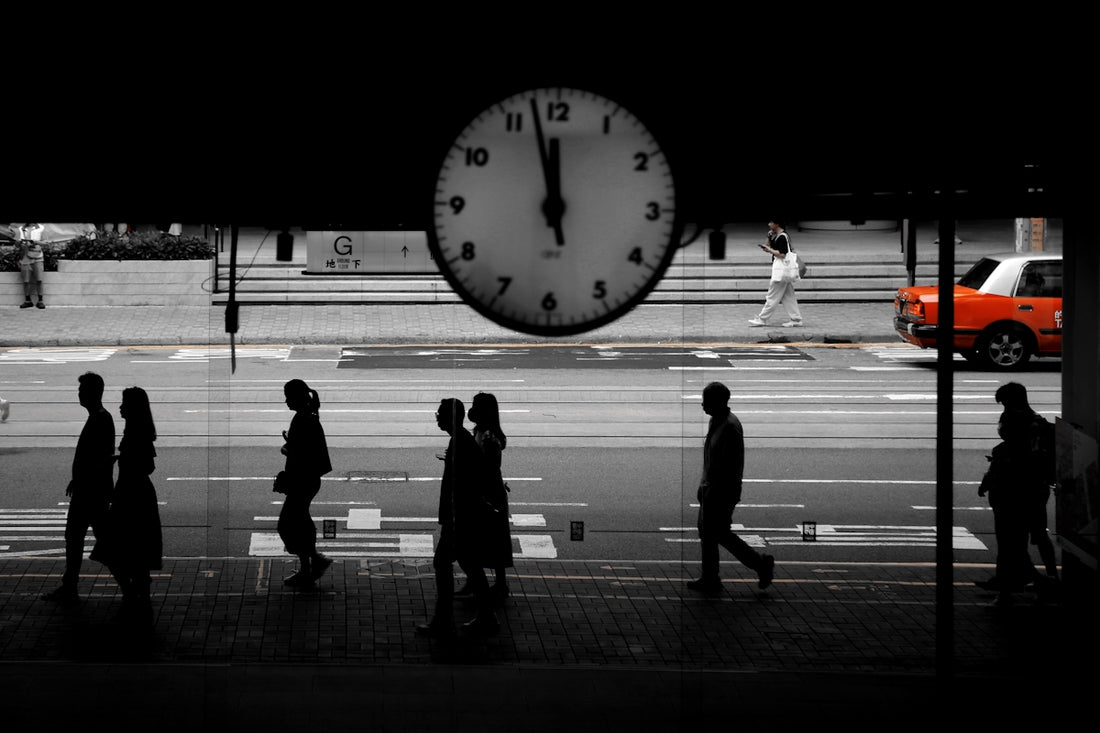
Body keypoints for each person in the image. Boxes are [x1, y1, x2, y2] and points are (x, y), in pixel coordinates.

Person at [417, 398, 498, 639]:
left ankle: (444, 621)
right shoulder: (460, 440)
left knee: (444, 564)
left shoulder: (459, 443)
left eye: (440, 413)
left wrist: (450, 519)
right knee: (470, 566)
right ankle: (485, 617)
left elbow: (461, 486)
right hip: (464, 517)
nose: (437, 416)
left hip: (460, 518)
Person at [686, 382, 775, 594]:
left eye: (706, 400)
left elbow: (726, 467)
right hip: (711, 488)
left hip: (721, 491)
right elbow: (711, 459)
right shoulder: (716, 422)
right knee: (714, 534)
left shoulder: (729, 427)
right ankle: (720, 575)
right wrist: (703, 485)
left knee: (713, 534)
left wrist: (711, 489)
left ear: (719, 402)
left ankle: (719, 577)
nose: (702, 405)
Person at [978, 382, 1058, 607]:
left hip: (1014, 490)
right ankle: (1042, 579)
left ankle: (1030, 583)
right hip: (1035, 488)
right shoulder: (1038, 423)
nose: (1003, 409)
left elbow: (1010, 457)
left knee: (1010, 541)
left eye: (1004, 403)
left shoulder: (1017, 424)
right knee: (1030, 537)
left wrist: (989, 479)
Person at [89, 387, 163, 624]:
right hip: (140, 495)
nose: (120, 407)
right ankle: (140, 596)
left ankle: (132, 593)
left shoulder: (134, 432)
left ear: (132, 407)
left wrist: (121, 461)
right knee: (138, 547)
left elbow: (145, 465)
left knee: (110, 546)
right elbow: (149, 465)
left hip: (130, 495)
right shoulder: (139, 430)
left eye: (124, 403)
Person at [42, 372, 115, 605]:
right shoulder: (99, 417)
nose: (79, 394)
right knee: (85, 538)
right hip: (89, 490)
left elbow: (99, 459)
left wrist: (81, 480)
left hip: (90, 493)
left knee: (88, 539)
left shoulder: (100, 419)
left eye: (83, 390)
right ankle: (71, 584)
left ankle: (130, 582)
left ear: (94, 393)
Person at [276, 379, 334, 588]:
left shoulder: (303, 420)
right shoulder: (308, 416)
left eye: (288, 396)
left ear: (296, 397)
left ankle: (315, 561)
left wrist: (286, 448)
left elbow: (299, 452)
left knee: (287, 525)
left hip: (303, 479)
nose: (285, 401)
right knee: (299, 521)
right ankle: (307, 568)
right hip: (307, 479)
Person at [462, 392, 513, 604]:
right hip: (490, 490)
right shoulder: (482, 432)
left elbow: (489, 468)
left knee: (490, 539)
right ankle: (483, 583)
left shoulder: (489, 437)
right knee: (490, 539)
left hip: (489, 493)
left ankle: (498, 585)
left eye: (475, 406)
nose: (471, 410)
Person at [748, 220, 801, 328]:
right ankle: (796, 319)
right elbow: (768, 248)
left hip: (781, 271)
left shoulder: (782, 237)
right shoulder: (776, 236)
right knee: (788, 297)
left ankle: (762, 319)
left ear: (777, 224)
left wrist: (770, 250)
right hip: (782, 271)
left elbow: (782, 254)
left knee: (772, 296)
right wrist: (768, 239)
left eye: (771, 222)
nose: (768, 224)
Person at [18, 222, 46, 309]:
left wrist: (35, 242)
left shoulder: (41, 228)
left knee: (39, 279)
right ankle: (28, 301)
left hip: (38, 256)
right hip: (25, 257)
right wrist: (20, 243)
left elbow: (46, 242)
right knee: (26, 281)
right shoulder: (21, 228)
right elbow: (18, 244)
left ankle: (40, 301)